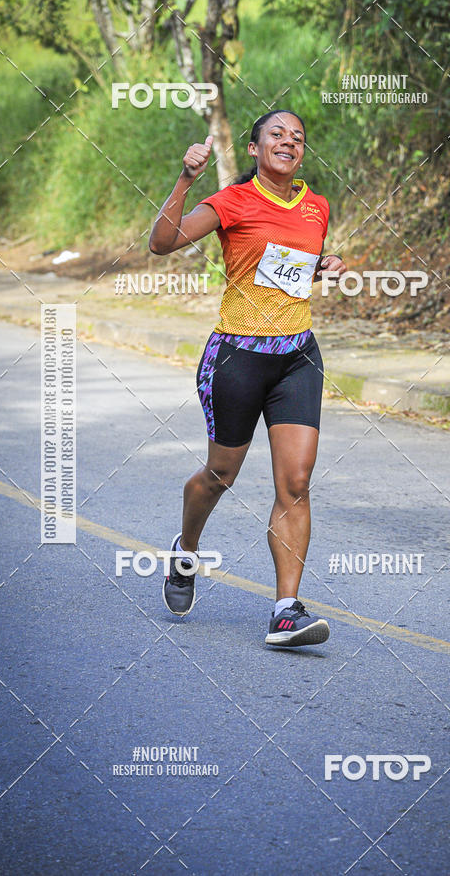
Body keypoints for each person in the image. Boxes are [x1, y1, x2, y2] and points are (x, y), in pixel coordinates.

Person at [149, 109, 346, 647]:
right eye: (277, 135)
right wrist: (186, 179)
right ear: (256, 149)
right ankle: (185, 550)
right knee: (220, 474)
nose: (289, 142)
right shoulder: (231, 201)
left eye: (298, 137)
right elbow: (162, 243)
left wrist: (322, 265)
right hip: (237, 357)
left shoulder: (317, 206)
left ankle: (286, 612)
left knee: (296, 483)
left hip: (297, 356)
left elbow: (289, 267)